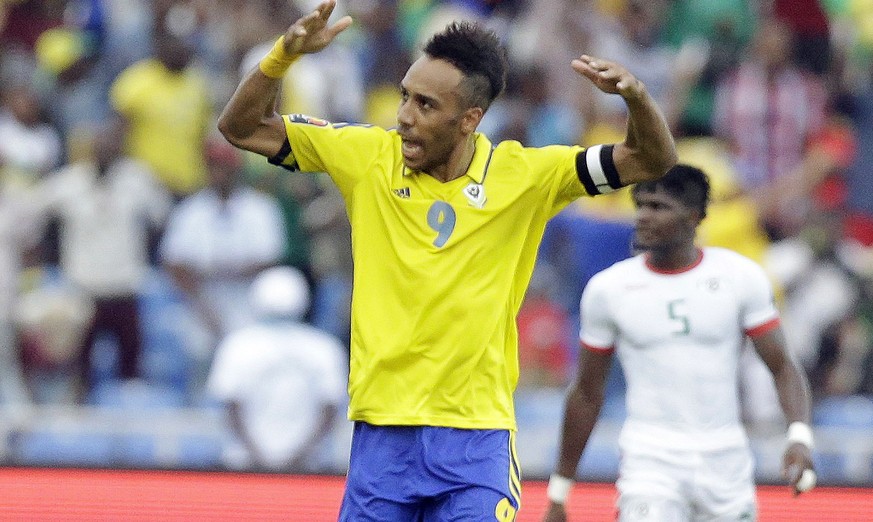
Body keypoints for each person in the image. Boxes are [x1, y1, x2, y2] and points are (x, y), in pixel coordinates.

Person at [217, 1, 677, 519]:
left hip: (475, 440)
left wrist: (636, 98)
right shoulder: (367, 156)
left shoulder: (526, 175)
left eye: (427, 106)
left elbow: (652, 159)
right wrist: (282, 56)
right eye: (405, 98)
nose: (406, 117)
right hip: (382, 438)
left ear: (469, 120)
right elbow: (240, 127)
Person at [543, 165, 815, 522]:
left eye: (657, 207)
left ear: (693, 216)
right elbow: (586, 393)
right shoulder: (609, 290)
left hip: (725, 465)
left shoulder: (740, 277)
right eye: (640, 205)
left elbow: (781, 365)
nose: (642, 216)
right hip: (649, 465)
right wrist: (560, 491)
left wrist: (798, 435)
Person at [206, 265, 348, 473]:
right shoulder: (325, 347)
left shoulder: (237, 344)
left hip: (258, 466)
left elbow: (230, 406)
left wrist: (262, 460)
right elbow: (330, 409)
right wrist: (293, 459)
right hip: (294, 468)